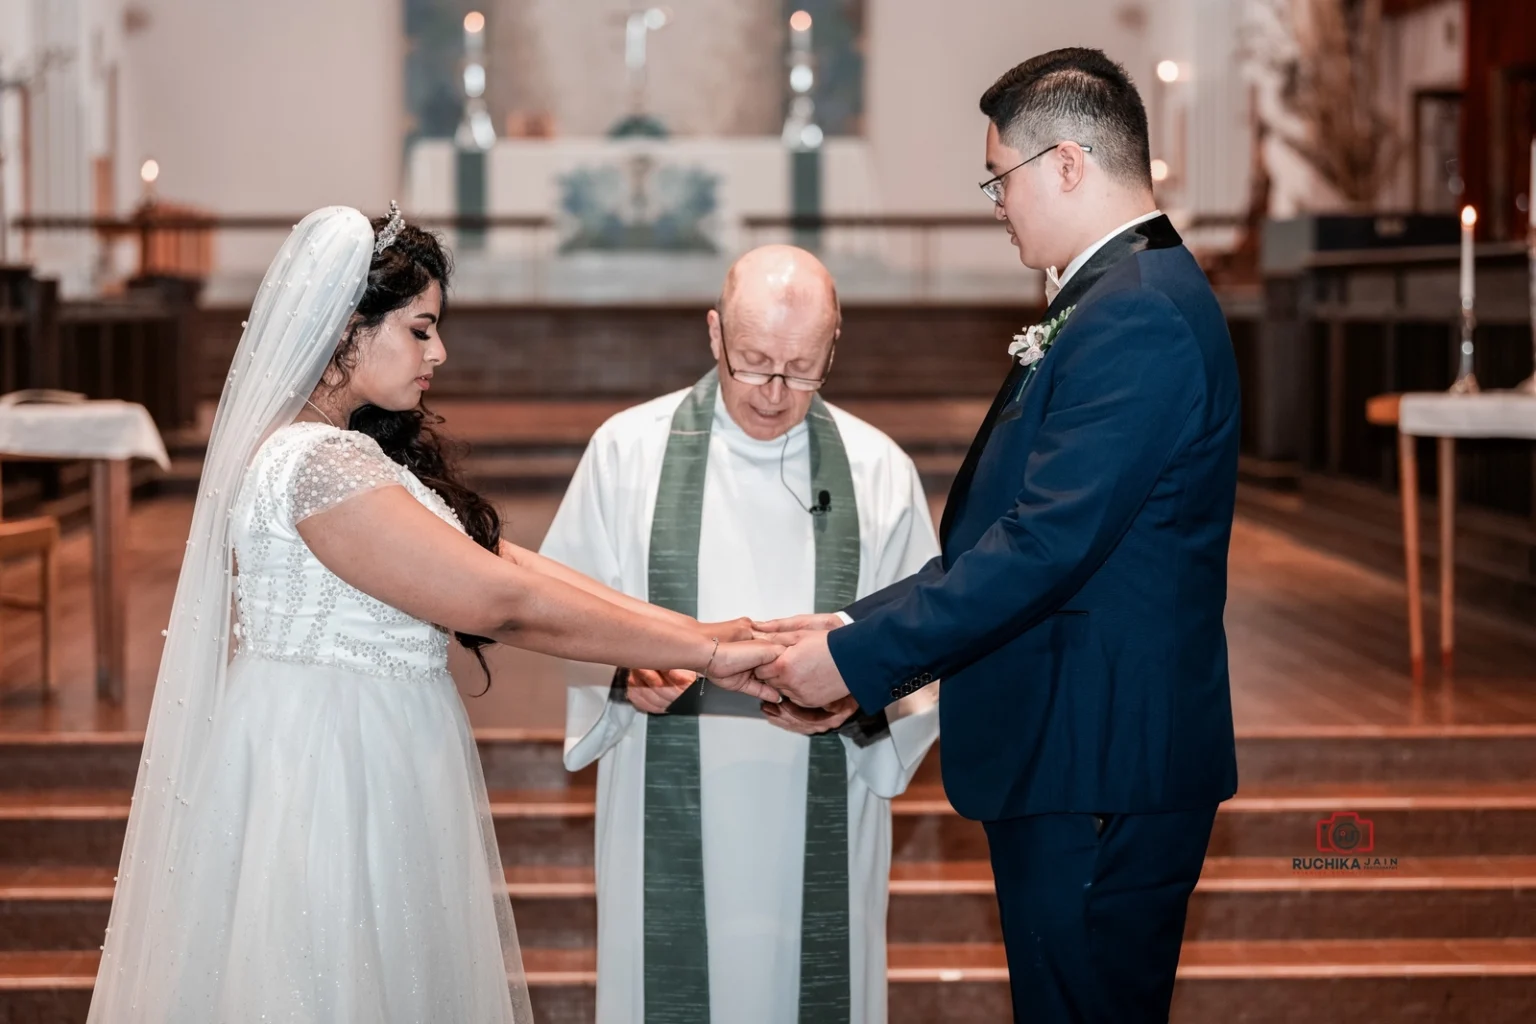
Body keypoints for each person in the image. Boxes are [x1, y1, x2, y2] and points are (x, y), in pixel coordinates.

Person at [86, 206, 781, 1024]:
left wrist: (692, 632)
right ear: (348, 331)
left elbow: (501, 563)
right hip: (331, 768)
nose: (437, 352)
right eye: (419, 329)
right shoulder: (315, 464)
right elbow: (502, 603)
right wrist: (703, 649)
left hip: (359, 742)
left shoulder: (341, 448)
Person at [756, 48, 1241, 1023]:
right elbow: (1016, 535)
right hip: (1078, 746)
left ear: (1065, 163)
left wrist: (855, 658)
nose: (995, 202)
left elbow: (1044, 545)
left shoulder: (1136, 314)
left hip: (1098, 759)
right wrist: (854, 622)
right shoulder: (1114, 298)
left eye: (999, 177)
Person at [541, 245, 940, 1024]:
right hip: (666, 777)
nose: (773, 393)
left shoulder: (878, 470)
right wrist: (623, 676)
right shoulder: (627, 451)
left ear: (834, 346)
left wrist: (859, 696)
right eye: (753, 362)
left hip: (819, 779)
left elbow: (926, 645)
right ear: (714, 333)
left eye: (800, 368)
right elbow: (560, 608)